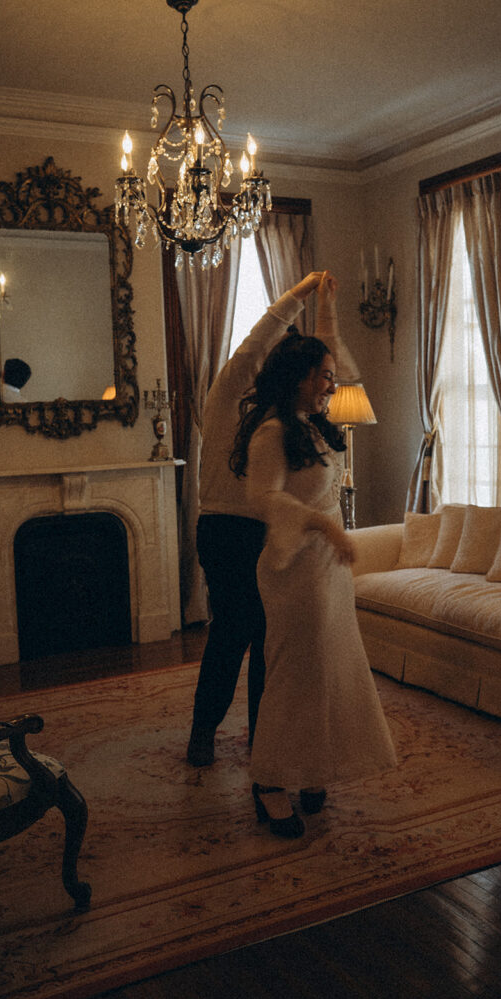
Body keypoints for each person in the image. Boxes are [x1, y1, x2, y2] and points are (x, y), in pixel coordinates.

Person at [230, 272, 397, 837]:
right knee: (294, 677)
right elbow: (261, 497)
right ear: (298, 379)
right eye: (322, 378)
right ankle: (270, 782)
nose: (332, 384)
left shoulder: (313, 424)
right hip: (293, 571)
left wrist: (327, 304)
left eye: (329, 377)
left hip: (329, 572)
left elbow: (335, 361)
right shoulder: (272, 433)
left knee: (329, 671)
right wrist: (325, 526)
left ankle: (311, 769)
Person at [187, 272, 329, 767]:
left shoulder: (284, 418)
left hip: (268, 532)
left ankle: (262, 738)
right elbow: (258, 337)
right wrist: (299, 293)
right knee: (232, 632)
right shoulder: (227, 390)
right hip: (225, 529)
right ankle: (203, 732)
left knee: (272, 638)